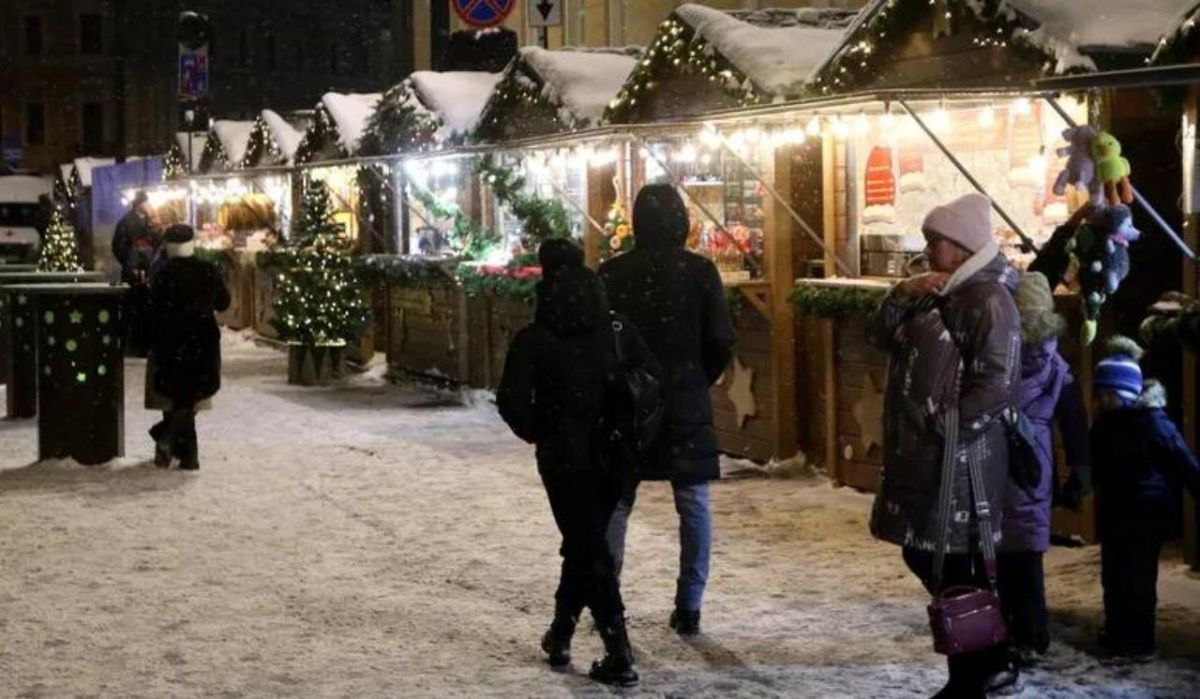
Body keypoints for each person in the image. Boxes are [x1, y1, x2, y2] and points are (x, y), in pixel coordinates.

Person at [866, 193, 1022, 697]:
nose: (929, 248)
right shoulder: (940, 290)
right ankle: (992, 659)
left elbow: (997, 381)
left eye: (937, 241)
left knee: (952, 565)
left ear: (964, 245)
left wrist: (949, 425)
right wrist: (902, 291)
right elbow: (880, 334)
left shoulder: (989, 299)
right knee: (933, 559)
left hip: (959, 460)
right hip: (929, 455)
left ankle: (973, 676)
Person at [497, 239, 654, 687]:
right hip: (613, 453)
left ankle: (617, 653)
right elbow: (648, 381)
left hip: (562, 458)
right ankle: (562, 633)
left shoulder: (535, 338)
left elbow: (511, 400)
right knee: (587, 544)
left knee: (586, 546)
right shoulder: (616, 329)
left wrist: (540, 431)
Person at [599, 184, 735, 636]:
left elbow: (604, 343)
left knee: (617, 503)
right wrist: (696, 377)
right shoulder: (700, 272)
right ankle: (690, 604)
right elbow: (720, 340)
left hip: (629, 403)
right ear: (681, 221)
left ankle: (609, 599)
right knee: (693, 501)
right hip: (683, 399)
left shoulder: (612, 273)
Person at [997, 271, 1091, 667]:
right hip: (1035, 466)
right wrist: (1080, 472)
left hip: (995, 460)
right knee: (1028, 554)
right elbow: (1074, 424)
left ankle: (1002, 630)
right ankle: (1032, 634)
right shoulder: (1058, 368)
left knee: (999, 554)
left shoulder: (995, 357)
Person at [1091, 337, 1200, 663]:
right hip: (1113, 509)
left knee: (1137, 578)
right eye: (1100, 394)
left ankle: (1138, 641)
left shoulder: (1154, 424)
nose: (1102, 400)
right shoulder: (1105, 424)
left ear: (1125, 393)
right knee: (1113, 575)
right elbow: (1094, 459)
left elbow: (1184, 463)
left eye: (1108, 394)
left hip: (1144, 513)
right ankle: (1117, 631)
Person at [147, 224, 230, 470]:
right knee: (189, 398)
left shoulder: (161, 274)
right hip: (202, 342)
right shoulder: (207, 270)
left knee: (176, 397)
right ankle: (185, 454)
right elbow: (223, 302)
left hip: (171, 343)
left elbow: (152, 310)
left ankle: (169, 439)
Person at [113, 191, 160, 356]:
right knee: (132, 308)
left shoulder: (148, 221)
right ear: (140, 204)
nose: (148, 206)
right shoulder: (126, 222)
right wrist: (130, 265)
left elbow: (156, 242)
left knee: (144, 310)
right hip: (132, 272)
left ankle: (142, 345)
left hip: (147, 271)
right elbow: (118, 247)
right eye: (146, 203)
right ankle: (131, 346)